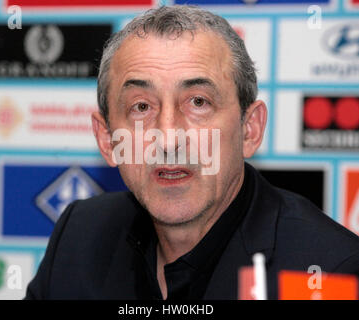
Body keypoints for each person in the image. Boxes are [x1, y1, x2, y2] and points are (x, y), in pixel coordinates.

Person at [25, 5, 359, 300]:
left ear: (250, 129)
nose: (168, 139)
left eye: (198, 102)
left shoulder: (330, 272)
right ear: (108, 139)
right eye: (141, 107)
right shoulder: (78, 238)